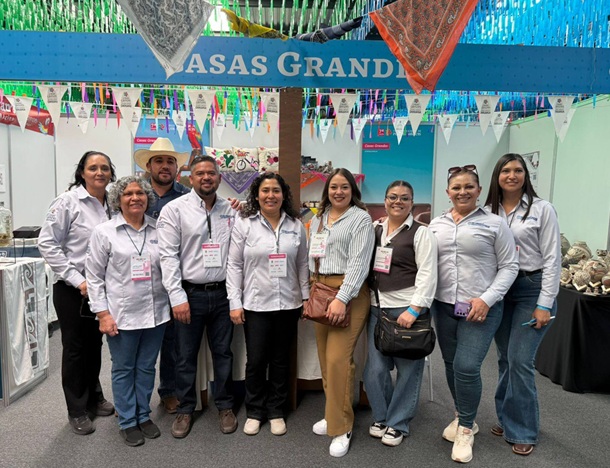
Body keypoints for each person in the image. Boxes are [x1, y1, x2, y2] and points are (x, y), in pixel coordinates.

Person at [428, 165, 518, 464]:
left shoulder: (495, 223)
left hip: (481, 308)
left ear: (479, 191)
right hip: (444, 306)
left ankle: (466, 429)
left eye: (469, 187)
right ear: (448, 192)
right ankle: (462, 415)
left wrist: (487, 299)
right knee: (450, 363)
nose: (462, 192)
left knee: (466, 366)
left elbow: (510, 266)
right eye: (456, 187)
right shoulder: (436, 225)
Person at [484, 153, 561, 456]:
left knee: (519, 360)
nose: (512, 175)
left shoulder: (542, 209)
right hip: (501, 289)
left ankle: (524, 429)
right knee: (505, 358)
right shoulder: (488, 211)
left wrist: (545, 303)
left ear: (526, 175)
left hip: (532, 288)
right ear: (497, 176)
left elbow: (553, 259)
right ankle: (507, 418)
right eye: (506, 170)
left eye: (518, 170)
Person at [85, 176, 170, 447]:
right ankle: (127, 420)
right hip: (121, 315)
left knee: (146, 368)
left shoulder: (158, 229)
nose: (135, 198)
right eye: (128, 194)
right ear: (118, 200)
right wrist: (103, 314)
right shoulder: (104, 232)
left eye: (140, 193)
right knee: (124, 369)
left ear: (147, 198)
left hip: (156, 313)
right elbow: (94, 277)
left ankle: (143, 415)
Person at [157, 155, 237, 439]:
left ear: (219, 178)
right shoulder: (175, 210)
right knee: (185, 356)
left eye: (211, 173)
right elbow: (167, 256)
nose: (206, 177)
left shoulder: (230, 210)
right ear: (190, 178)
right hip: (189, 294)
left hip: (223, 294)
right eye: (200, 173)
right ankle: (185, 408)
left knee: (223, 353)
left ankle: (225, 405)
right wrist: (176, 297)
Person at [38, 151, 117, 435]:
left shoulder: (113, 203)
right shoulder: (67, 202)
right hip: (73, 290)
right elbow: (47, 243)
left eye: (104, 168)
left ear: (111, 173)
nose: (99, 172)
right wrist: (78, 280)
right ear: (82, 173)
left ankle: (94, 396)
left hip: (103, 289)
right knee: (74, 349)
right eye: (93, 168)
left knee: (95, 344)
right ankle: (77, 409)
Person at [227, 173, 309, 437]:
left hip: (288, 303)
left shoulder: (296, 225)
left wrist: (305, 297)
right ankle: (254, 411)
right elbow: (234, 265)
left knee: (281, 360)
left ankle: (276, 411)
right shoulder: (244, 224)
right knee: (256, 361)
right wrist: (234, 302)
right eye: (265, 191)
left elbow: (302, 264)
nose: (270, 195)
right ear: (256, 195)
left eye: (276, 190)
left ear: (283, 195)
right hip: (256, 304)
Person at [364, 180, 438, 447]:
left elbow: (428, 273)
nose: (398, 202)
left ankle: (398, 423)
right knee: (374, 370)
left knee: (408, 371)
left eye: (404, 198)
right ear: (385, 201)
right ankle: (382, 416)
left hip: (407, 310)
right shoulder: (375, 229)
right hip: (377, 308)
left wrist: (415, 309)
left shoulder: (421, 233)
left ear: (412, 203)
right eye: (393, 197)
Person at [308, 168, 375, 458]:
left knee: (338, 360)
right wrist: (309, 289)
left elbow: (360, 262)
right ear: (327, 190)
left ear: (352, 191)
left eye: (344, 187)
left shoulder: (360, 218)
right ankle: (332, 412)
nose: (338, 192)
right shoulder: (319, 218)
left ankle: (342, 425)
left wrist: (342, 298)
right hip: (320, 291)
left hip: (348, 293)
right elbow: (311, 255)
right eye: (334, 187)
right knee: (326, 359)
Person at [134, 137, 190, 415]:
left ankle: (169, 391)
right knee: (136, 342)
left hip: (175, 278)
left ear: (177, 167)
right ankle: (132, 399)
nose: (165, 166)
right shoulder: (137, 195)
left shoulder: (187, 197)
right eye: (159, 161)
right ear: (149, 165)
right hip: (139, 278)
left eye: (170, 161)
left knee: (173, 341)